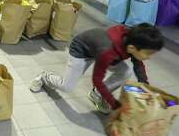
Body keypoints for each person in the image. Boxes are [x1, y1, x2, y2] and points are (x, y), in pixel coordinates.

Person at [29, 24, 164, 114]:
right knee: (67, 87)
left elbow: (138, 63)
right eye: (149, 53)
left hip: (101, 51)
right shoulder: (108, 51)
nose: (149, 57)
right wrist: (114, 103)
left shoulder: (132, 41)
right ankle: (44, 76)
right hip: (81, 50)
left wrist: (145, 86)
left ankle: (96, 95)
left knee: (126, 71)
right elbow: (97, 80)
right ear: (132, 48)